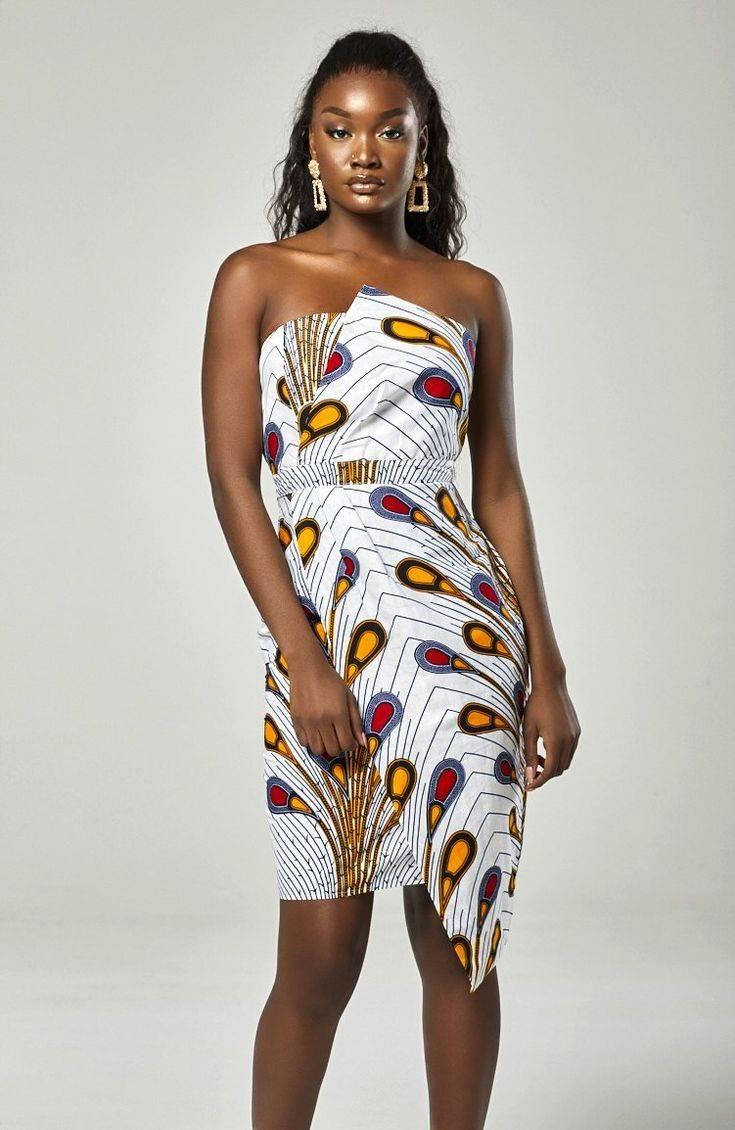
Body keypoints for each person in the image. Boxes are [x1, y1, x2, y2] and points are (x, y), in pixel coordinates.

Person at [201, 28, 580, 1130]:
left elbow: (498, 488)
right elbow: (232, 479)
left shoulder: (471, 293)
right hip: (324, 630)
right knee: (320, 956)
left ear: (424, 148)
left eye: (389, 130)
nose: (364, 151)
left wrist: (548, 674)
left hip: (463, 633)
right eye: (340, 130)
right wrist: (304, 659)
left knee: (460, 937)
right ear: (310, 147)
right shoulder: (256, 277)